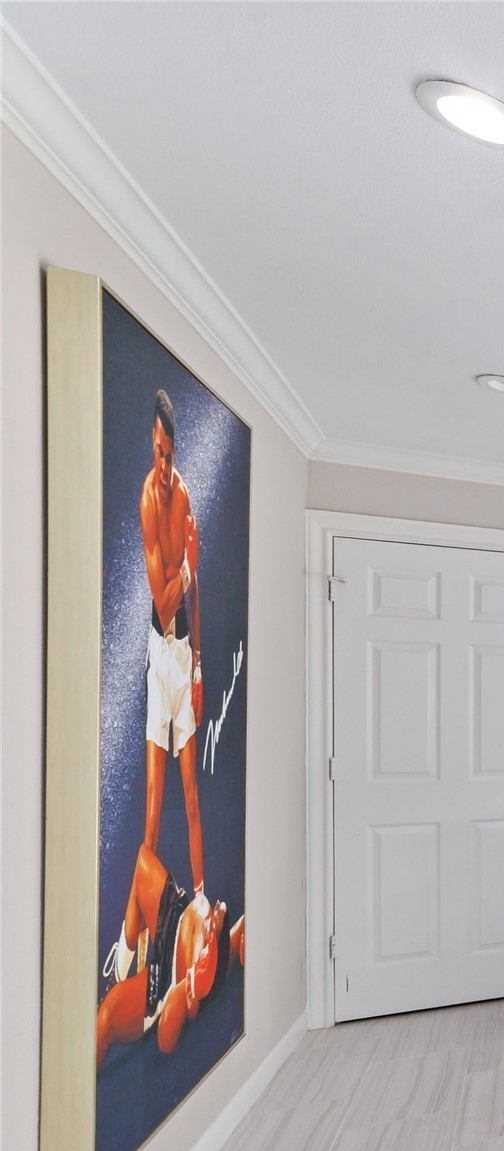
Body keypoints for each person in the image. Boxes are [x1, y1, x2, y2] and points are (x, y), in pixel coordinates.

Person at [140, 389, 206, 894]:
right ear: (151, 445)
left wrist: (200, 668)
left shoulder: (182, 493)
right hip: (159, 655)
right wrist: (185, 571)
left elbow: (191, 591)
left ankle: (202, 899)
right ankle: (139, 935)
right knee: (154, 800)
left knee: (190, 795)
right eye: (159, 454)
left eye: (171, 456)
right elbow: (164, 603)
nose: (165, 467)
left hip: (183, 656)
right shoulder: (148, 500)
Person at [96, 844, 230, 1067]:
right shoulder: (214, 927)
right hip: (176, 919)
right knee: (143, 860)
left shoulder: (196, 979)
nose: (218, 908)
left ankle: (77, 1075)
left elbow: (166, 1042)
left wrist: (188, 988)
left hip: (166, 978)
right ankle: (119, 973)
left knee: (107, 1016)